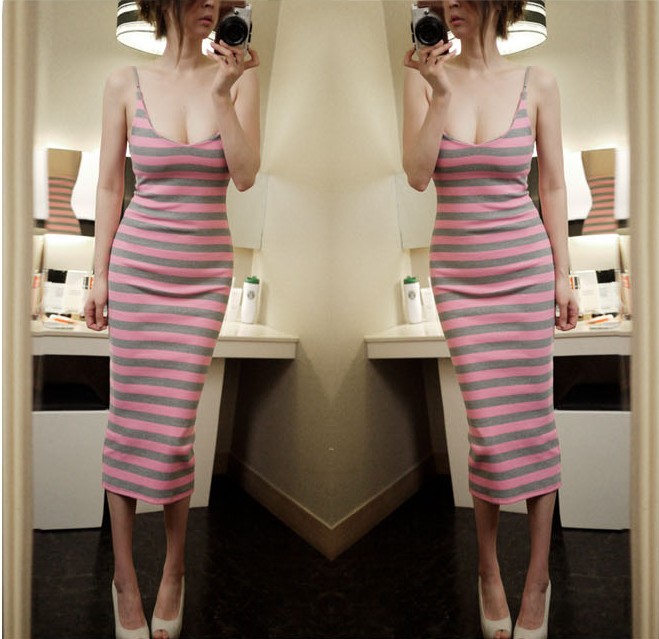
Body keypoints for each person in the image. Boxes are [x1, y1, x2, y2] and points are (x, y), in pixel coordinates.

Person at [402, 2, 578, 638]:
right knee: (486, 429)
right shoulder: (423, 78)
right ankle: (488, 569)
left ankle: (537, 577)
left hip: (525, 273)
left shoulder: (539, 82)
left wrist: (563, 274)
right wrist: (439, 92)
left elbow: (550, 186)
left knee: (533, 421)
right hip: (459, 280)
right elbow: (418, 175)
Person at [84, 1, 260, 637]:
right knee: (129, 421)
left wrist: (223, 93)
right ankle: (124, 577)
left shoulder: (240, 77)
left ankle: (174, 569)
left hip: (203, 279)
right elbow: (112, 187)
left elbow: (244, 175)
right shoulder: (123, 82)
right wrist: (100, 275)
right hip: (137, 273)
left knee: (177, 429)